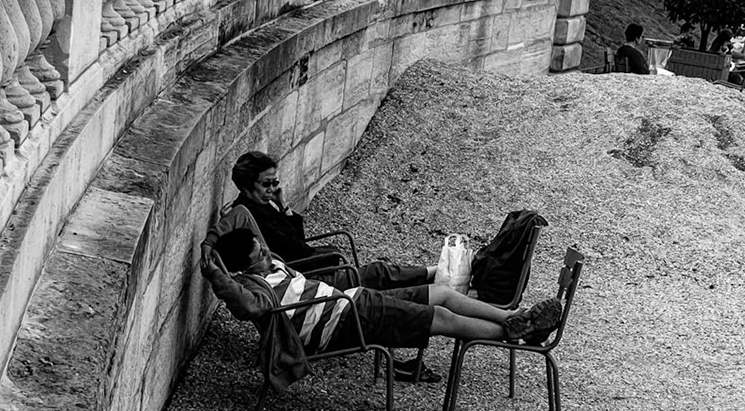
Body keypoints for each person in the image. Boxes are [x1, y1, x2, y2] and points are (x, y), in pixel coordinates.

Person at [228, 151, 444, 382]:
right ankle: (436, 274)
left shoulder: (262, 206)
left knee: (381, 282)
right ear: (248, 185)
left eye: (275, 182)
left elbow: (297, 240)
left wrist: (283, 207)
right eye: (267, 184)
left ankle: (434, 277)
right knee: (378, 275)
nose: (273, 188)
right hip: (309, 277)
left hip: (309, 274)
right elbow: (296, 250)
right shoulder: (250, 217)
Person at [212, 227, 564, 359]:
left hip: (354, 300)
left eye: (262, 248)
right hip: (345, 321)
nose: (267, 254)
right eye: (259, 254)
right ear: (242, 269)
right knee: (439, 318)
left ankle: (513, 319)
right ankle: (517, 334)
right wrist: (214, 270)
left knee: (440, 293)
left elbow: (244, 218)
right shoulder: (252, 288)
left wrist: (214, 241)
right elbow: (243, 306)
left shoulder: (270, 266)